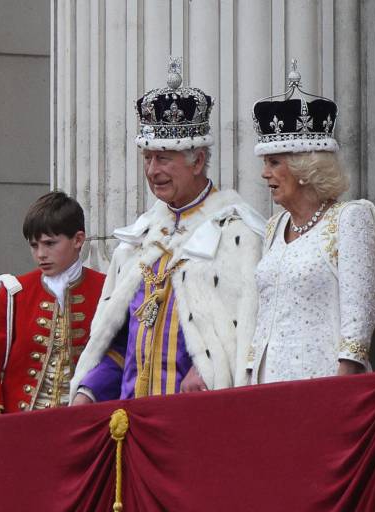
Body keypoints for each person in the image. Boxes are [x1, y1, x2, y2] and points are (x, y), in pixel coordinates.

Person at [69, 58, 265, 403]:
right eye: (147, 158)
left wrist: (208, 367)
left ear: (198, 161)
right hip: (132, 418)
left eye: (163, 158)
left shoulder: (238, 234)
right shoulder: (139, 240)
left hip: (193, 418)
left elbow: (244, 335)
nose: (152, 170)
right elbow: (118, 344)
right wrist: (88, 389)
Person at [246, 62, 375, 383]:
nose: (265, 174)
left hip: (323, 378)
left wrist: (345, 377)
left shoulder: (350, 218)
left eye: (274, 163)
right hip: (265, 380)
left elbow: (358, 316)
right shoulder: (274, 226)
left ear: (306, 168)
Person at [0, 191, 107, 415]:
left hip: (84, 424)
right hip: (22, 426)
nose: (41, 254)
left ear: (78, 240)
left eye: (50, 243)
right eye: (34, 246)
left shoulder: (106, 290)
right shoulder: (13, 294)